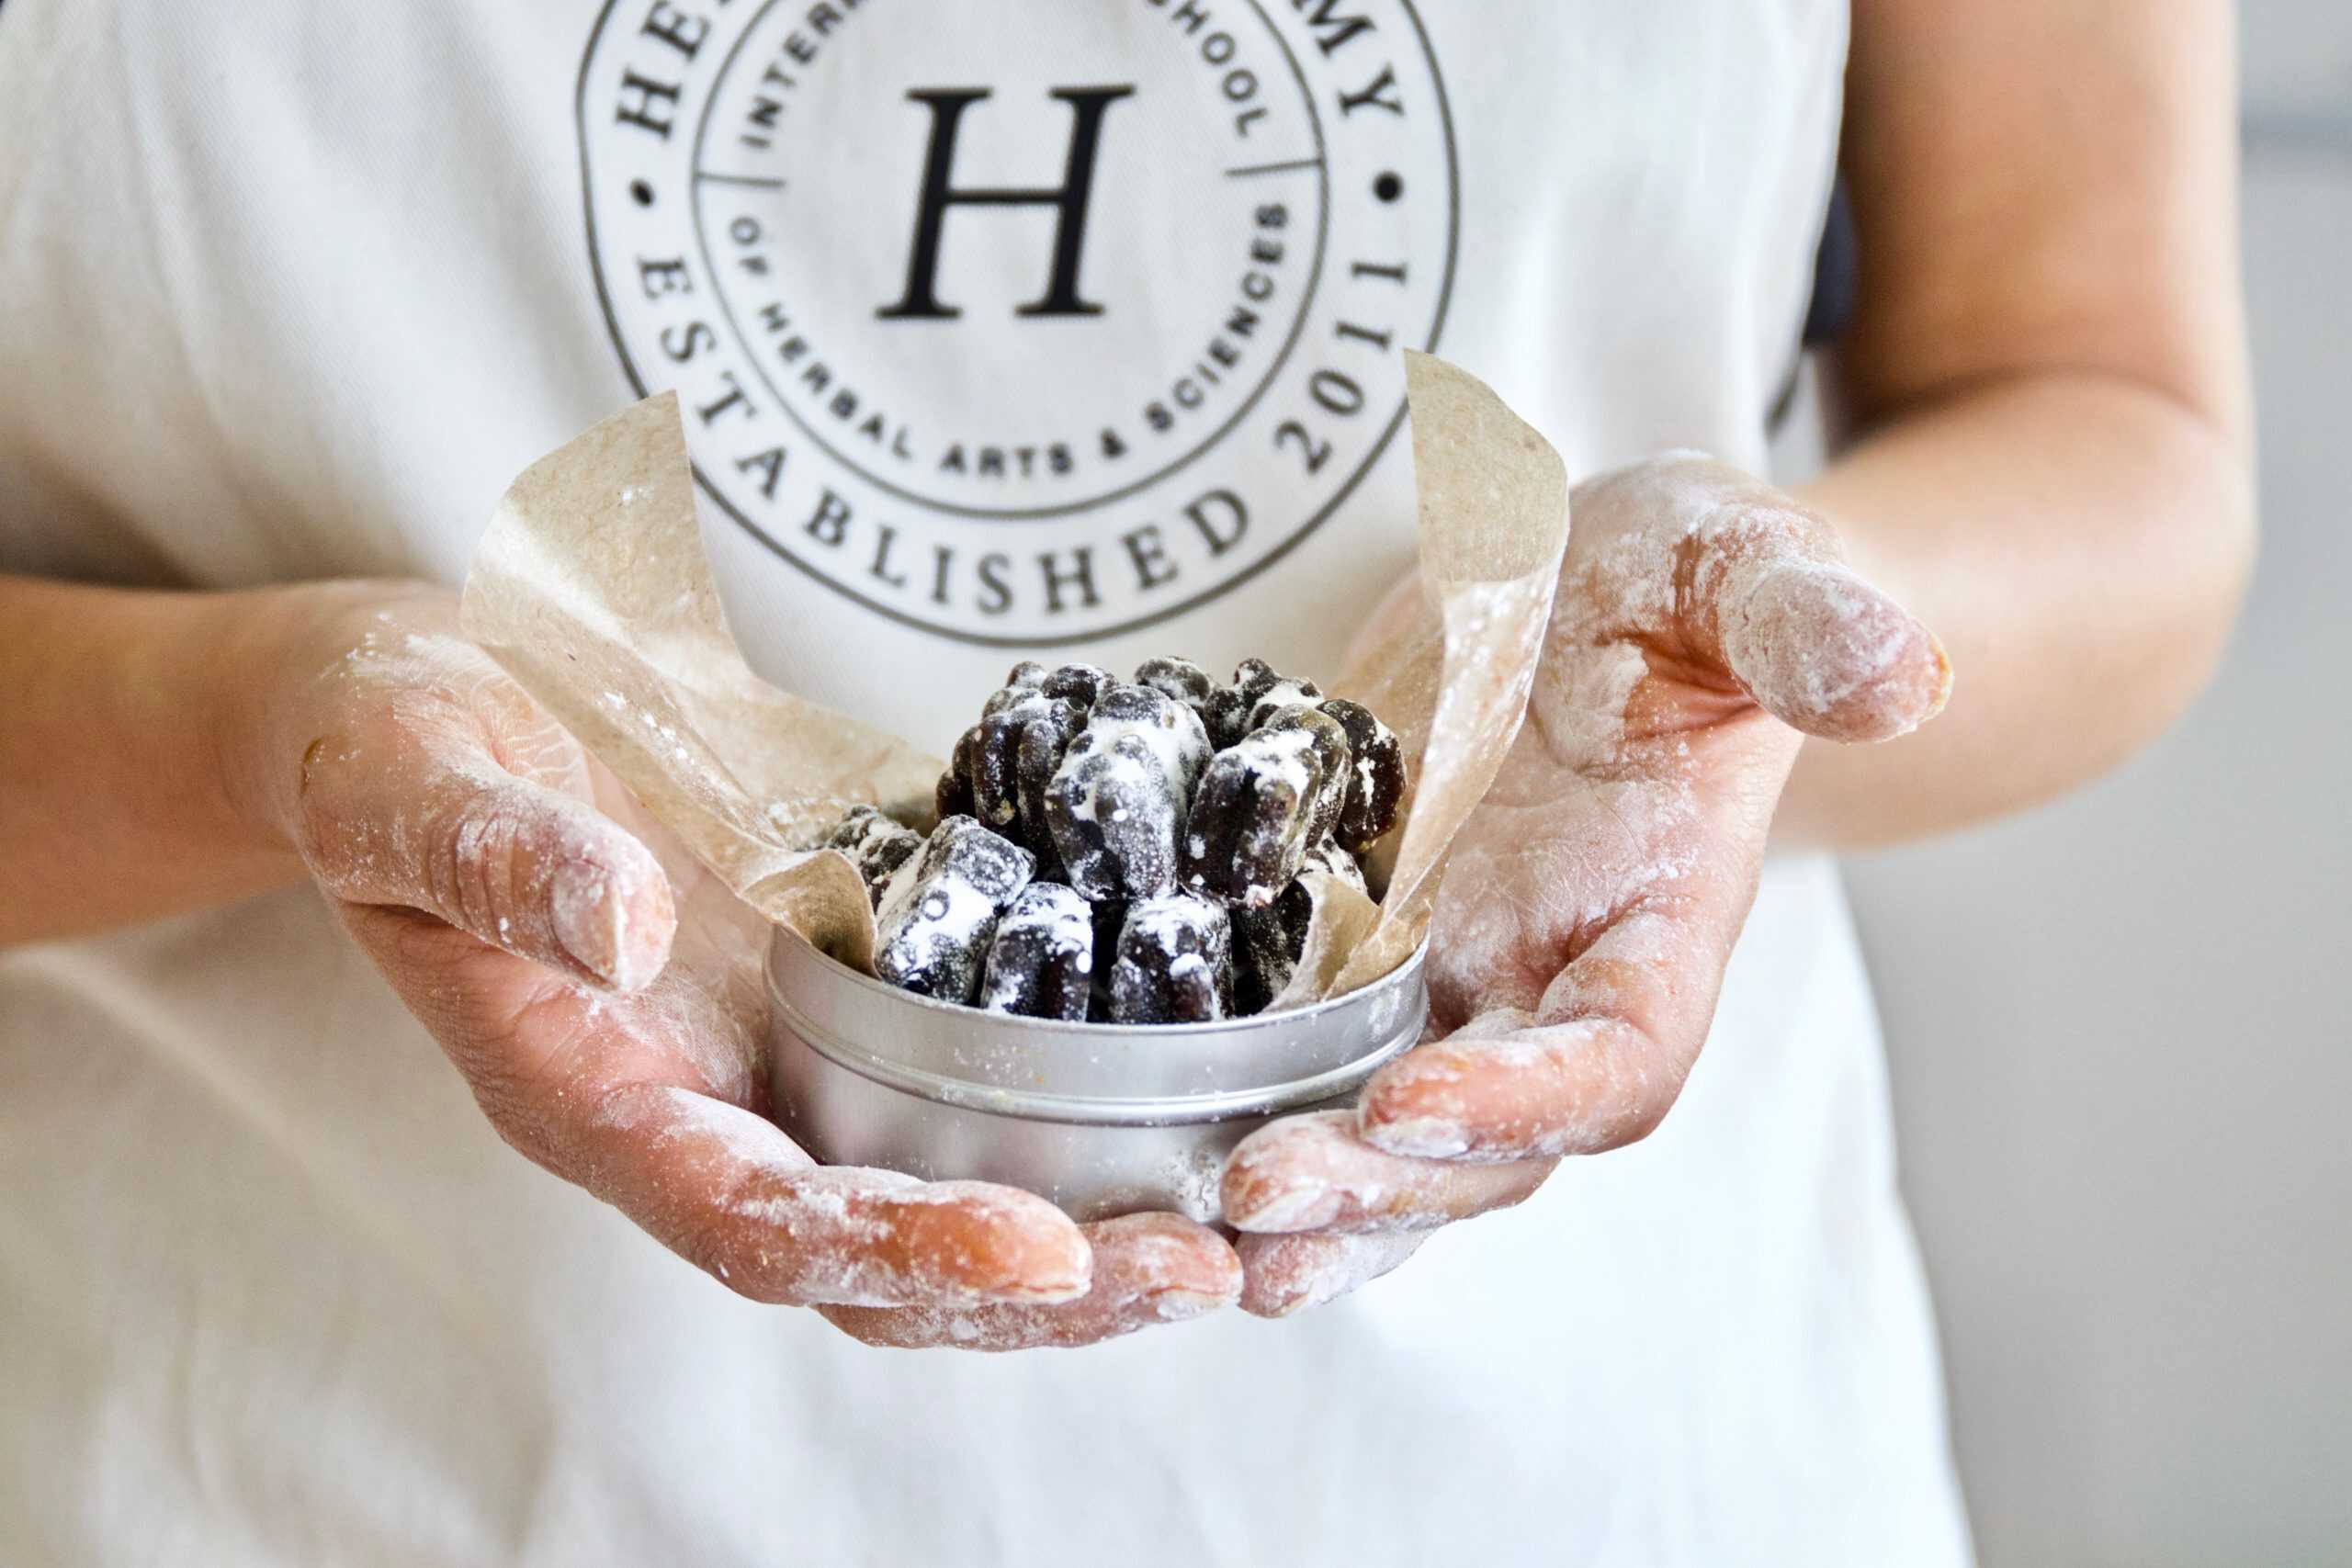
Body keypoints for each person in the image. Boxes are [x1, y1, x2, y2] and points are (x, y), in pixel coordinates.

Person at [0, 1, 2251, 1562]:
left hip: (1592, 1467)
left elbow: (2103, 416)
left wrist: (1711, 670)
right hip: (300, 1453)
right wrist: (256, 722)